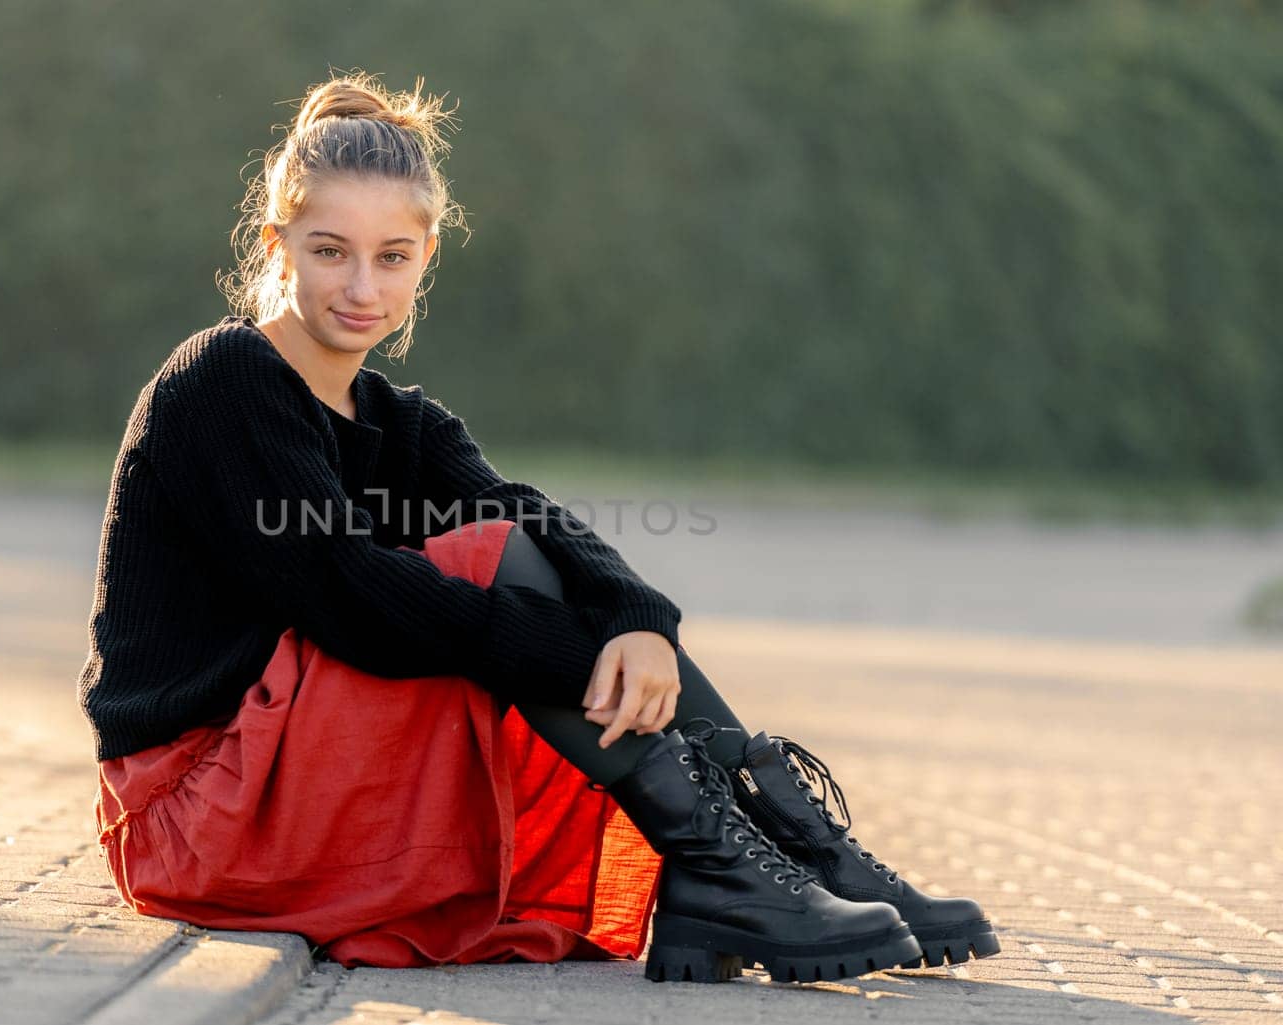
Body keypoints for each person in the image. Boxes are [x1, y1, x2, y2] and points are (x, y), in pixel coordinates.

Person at [76, 71, 999, 985]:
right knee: (490, 572)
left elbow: (532, 516)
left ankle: (793, 851)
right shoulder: (225, 377)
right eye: (330, 251)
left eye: (392, 257)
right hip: (196, 807)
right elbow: (345, 594)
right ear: (278, 245)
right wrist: (567, 650)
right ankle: (720, 865)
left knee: (517, 549)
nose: (362, 287)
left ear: (425, 257)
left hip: (291, 763)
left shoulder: (399, 420)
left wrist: (640, 620)